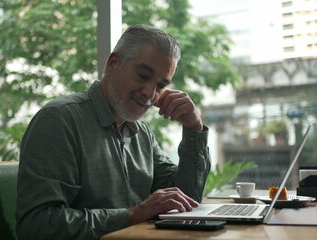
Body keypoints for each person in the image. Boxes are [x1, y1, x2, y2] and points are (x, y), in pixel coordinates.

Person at [16, 24, 211, 240]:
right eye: (143, 75)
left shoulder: (142, 134)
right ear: (113, 63)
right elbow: (37, 225)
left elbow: (187, 198)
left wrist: (194, 128)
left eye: (161, 86)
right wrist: (133, 215)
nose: (150, 93)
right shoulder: (59, 119)